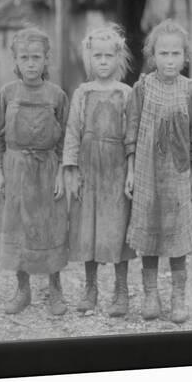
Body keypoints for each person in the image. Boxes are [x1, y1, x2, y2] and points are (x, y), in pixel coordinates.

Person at [125, 19, 192, 323]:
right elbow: (131, 130)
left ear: (184, 57)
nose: (169, 60)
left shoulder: (189, 89)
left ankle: (178, 296)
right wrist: (131, 170)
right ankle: (150, 294)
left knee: (176, 236)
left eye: (175, 54)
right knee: (149, 231)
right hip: (147, 173)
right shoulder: (143, 87)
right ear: (152, 55)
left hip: (177, 175)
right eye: (163, 54)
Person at [0, 26, 69, 316]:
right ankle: (22, 291)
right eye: (25, 57)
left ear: (47, 59)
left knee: (50, 227)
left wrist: (62, 172)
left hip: (47, 170)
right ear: (16, 61)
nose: (31, 63)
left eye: (37, 57)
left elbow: (66, 140)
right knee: (17, 228)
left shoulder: (57, 95)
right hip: (16, 169)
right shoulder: (6, 93)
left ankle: (55, 289)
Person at [63, 24, 136, 317]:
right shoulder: (82, 93)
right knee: (87, 229)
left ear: (118, 58)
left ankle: (121, 291)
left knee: (117, 228)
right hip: (88, 169)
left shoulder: (127, 93)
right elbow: (72, 132)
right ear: (89, 59)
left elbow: (132, 136)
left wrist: (131, 172)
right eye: (97, 56)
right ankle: (90, 288)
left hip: (116, 170)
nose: (103, 62)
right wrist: (71, 170)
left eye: (108, 56)